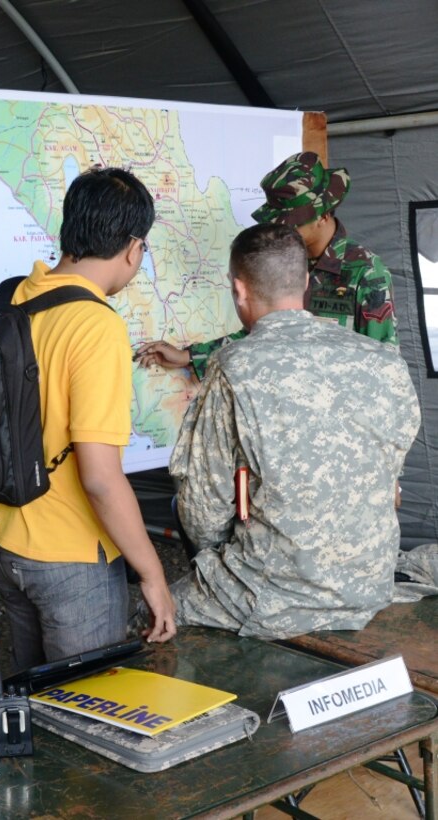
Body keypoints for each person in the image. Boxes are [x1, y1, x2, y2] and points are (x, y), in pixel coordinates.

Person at [0, 167, 177, 673]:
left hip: (4, 539)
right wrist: (152, 574)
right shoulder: (95, 324)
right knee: (90, 705)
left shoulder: (16, 296)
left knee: (36, 700)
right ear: (132, 247)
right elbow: (100, 480)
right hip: (70, 556)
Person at [166, 223, 419, 639]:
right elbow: (392, 473)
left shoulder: (234, 368)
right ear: (304, 282)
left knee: (149, 614)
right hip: (372, 584)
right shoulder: (383, 360)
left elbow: (202, 511)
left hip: (272, 598)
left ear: (239, 289)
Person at [135, 151, 398, 378]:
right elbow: (262, 334)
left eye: (291, 222)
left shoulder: (364, 273)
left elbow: (386, 365)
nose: (282, 229)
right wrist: (190, 356)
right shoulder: (280, 259)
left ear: (324, 214)